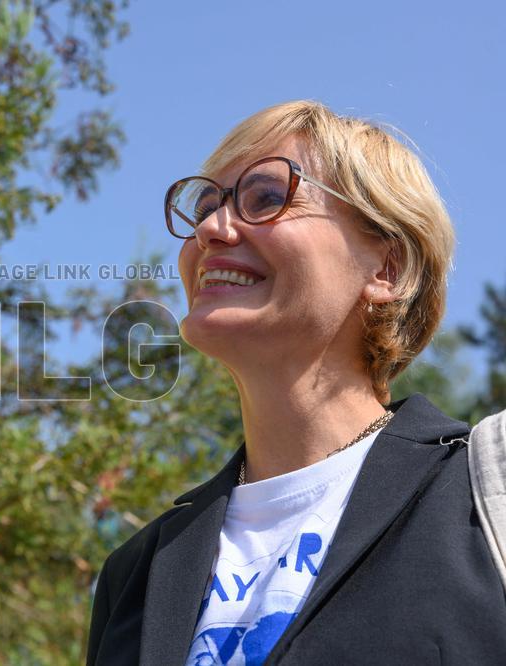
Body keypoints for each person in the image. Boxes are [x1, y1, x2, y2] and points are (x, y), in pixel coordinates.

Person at [87, 101, 506, 665]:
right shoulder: (136, 572)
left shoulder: (484, 495)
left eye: (266, 197)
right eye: (205, 207)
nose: (210, 229)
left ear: (388, 269)